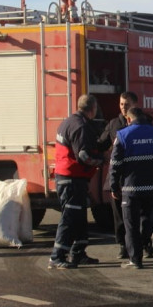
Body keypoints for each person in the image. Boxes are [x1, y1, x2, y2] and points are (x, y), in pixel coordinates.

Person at [109, 107, 153, 269]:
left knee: (131, 225)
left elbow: (115, 164)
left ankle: (135, 260)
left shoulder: (123, 135)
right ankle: (147, 240)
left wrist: (114, 185)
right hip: (152, 187)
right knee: (146, 218)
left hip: (131, 189)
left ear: (129, 120)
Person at [49, 94, 105, 269]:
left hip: (68, 177)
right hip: (71, 178)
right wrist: (101, 161)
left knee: (79, 216)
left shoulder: (68, 122)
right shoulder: (81, 127)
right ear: (93, 109)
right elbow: (84, 156)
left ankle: (78, 252)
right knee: (70, 217)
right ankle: (57, 256)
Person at [97, 91, 140, 259]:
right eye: (121, 104)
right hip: (118, 178)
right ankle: (122, 246)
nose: (124, 107)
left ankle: (141, 242)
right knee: (118, 215)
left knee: (138, 214)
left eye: (127, 104)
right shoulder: (114, 124)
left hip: (135, 177)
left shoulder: (142, 123)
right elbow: (101, 144)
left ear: (135, 105)